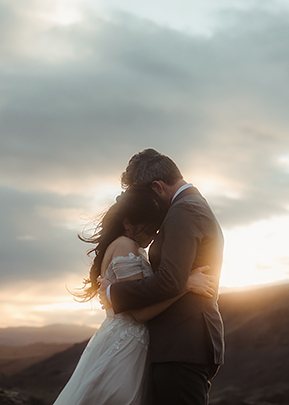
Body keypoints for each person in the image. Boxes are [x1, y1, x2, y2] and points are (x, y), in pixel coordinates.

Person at [54, 184, 216, 405]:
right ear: (128, 223)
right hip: (128, 345)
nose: (152, 238)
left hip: (124, 340)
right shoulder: (126, 247)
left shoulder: (124, 245)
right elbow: (139, 314)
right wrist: (185, 286)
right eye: (148, 229)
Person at [100, 149, 225, 405]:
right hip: (180, 344)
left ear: (157, 186)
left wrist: (114, 293)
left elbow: (170, 281)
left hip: (182, 344)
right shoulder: (190, 205)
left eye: (143, 194)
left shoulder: (184, 210)